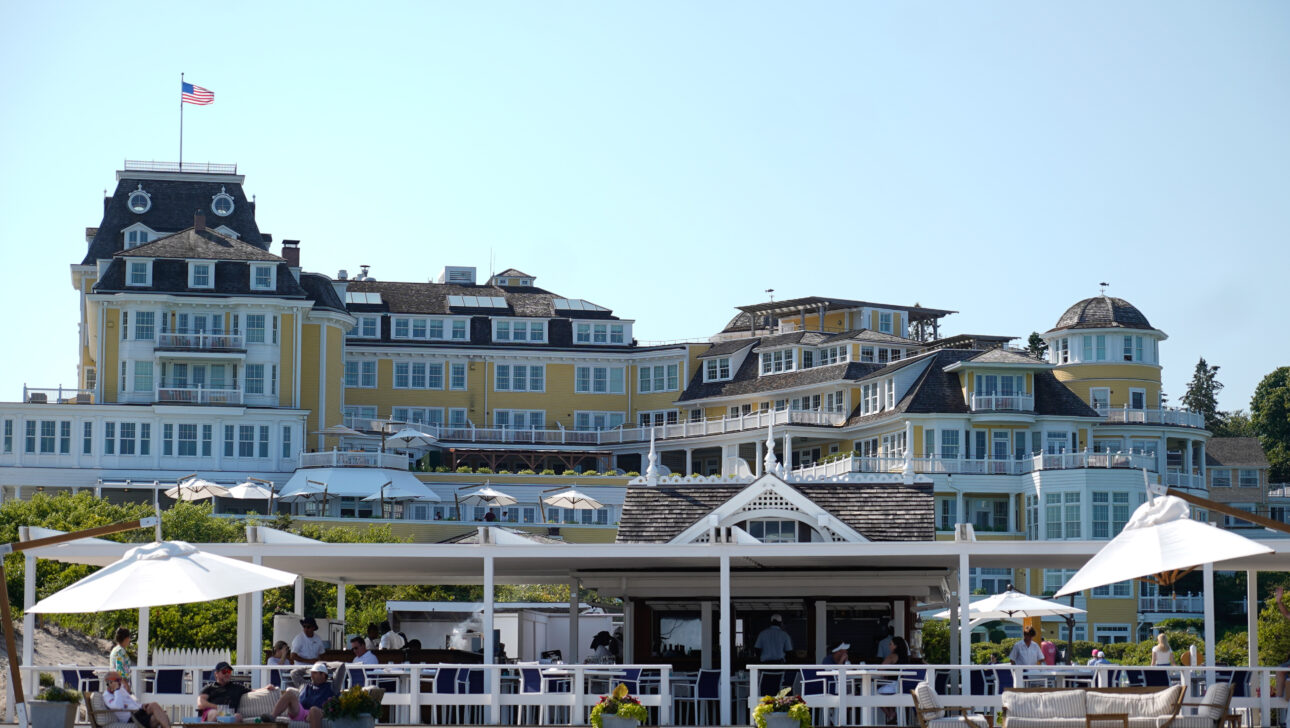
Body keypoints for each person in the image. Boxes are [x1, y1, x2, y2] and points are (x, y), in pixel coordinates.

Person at [267, 662, 335, 728]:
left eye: (315, 673)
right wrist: (309, 667)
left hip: (317, 712)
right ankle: (272, 717)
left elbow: (340, 669)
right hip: (301, 711)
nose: (311, 675)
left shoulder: (332, 687)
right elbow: (294, 673)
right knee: (289, 694)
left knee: (313, 710)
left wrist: (326, 664)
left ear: (323, 675)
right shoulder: (305, 685)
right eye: (311, 673)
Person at [199, 661, 264, 721]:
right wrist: (218, 707)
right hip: (213, 712)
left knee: (238, 716)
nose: (227, 674)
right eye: (224, 671)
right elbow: (201, 704)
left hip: (229, 715)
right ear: (216, 674)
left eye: (229, 671)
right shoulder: (209, 687)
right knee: (214, 713)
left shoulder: (237, 687)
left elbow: (254, 691)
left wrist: (266, 688)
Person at [104, 671, 171, 728]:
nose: (120, 682)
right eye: (118, 680)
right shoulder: (107, 696)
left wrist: (142, 705)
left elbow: (132, 702)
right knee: (162, 716)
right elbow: (119, 706)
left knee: (154, 705)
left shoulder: (121, 690)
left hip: (139, 711)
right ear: (110, 682)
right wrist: (116, 690)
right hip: (132, 717)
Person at [878, 637, 910, 722]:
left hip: (893, 685)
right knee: (886, 690)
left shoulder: (892, 656)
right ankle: (892, 713)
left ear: (896, 646)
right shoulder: (905, 657)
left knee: (873, 693)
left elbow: (880, 670)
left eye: (891, 644)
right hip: (903, 686)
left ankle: (890, 715)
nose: (889, 646)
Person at [109, 628, 135, 693]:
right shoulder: (120, 651)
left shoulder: (115, 649)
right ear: (126, 639)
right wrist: (126, 685)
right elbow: (119, 670)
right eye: (129, 638)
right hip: (120, 685)